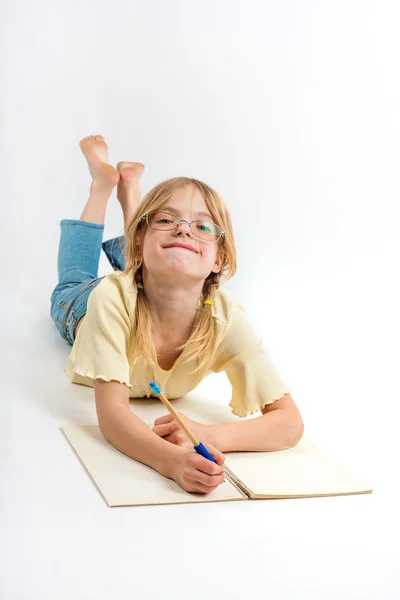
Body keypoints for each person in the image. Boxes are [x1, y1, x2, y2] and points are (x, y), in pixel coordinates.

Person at [50, 134, 304, 495]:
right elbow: (112, 417)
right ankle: (101, 186)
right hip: (87, 303)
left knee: (159, 260)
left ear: (219, 260)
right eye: (168, 219)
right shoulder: (111, 296)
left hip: (146, 278)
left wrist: (209, 434)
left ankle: (131, 194)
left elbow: (289, 424)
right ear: (137, 241)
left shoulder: (225, 317)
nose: (184, 228)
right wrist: (169, 462)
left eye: (202, 227)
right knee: (74, 281)